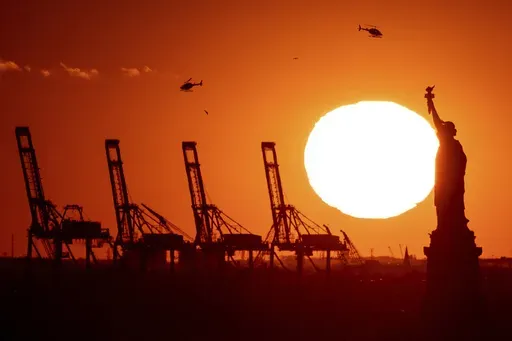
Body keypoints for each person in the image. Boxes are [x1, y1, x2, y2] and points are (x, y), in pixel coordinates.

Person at [425, 87, 469, 229]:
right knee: (444, 201)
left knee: (456, 202)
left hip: (456, 180)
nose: (455, 131)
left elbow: (462, 161)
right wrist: (431, 103)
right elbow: (437, 121)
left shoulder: (456, 145)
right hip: (445, 179)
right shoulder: (446, 142)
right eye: (453, 128)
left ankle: (457, 222)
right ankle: (445, 225)